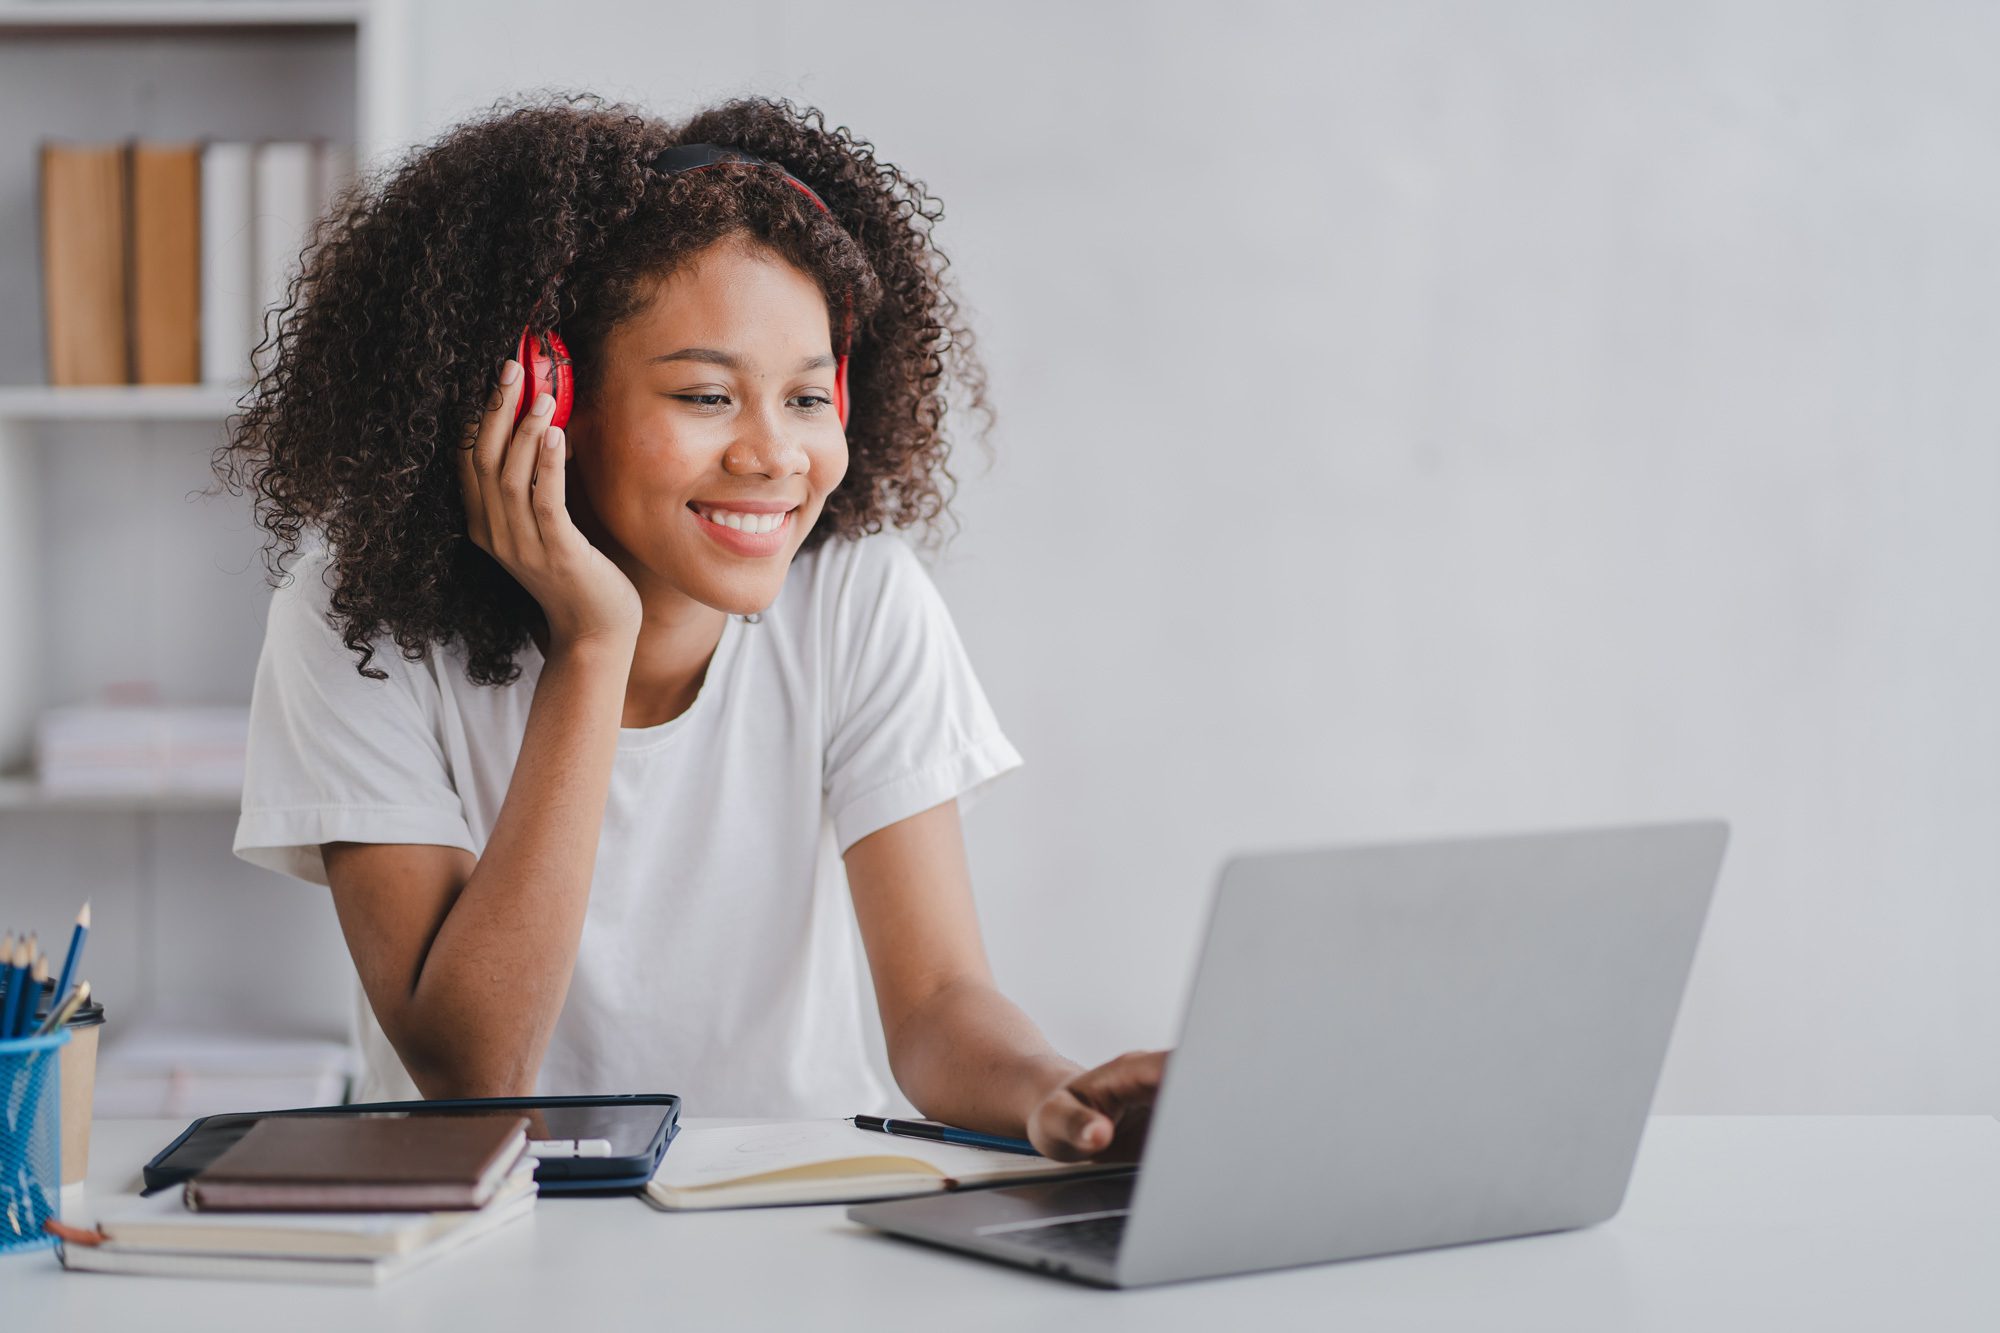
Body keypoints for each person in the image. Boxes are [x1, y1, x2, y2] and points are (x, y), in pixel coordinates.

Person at [212, 92, 1161, 1162]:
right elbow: (473, 1071)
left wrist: (1051, 1092)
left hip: (791, 1206)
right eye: (708, 397)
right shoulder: (358, 622)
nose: (773, 455)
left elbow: (938, 998)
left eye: (807, 398)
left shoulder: (857, 600)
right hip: (497, 1217)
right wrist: (591, 645)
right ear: (544, 400)